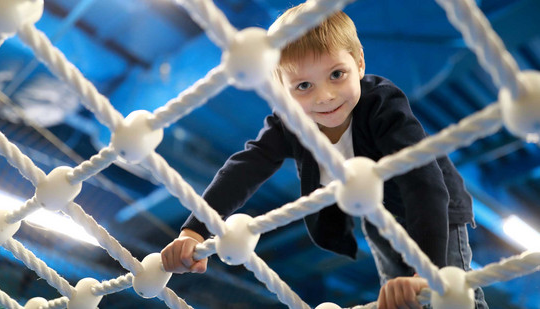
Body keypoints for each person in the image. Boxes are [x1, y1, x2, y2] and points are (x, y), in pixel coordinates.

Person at [161, 3, 488, 309]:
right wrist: (194, 231)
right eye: (303, 85)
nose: (325, 97)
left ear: (359, 63)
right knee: (400, 299)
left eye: (336, 74)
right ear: (281, 92)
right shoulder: (290, 122)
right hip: (378, 215)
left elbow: (422, 181)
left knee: (448, 293)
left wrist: (426, 270)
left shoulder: (381, 105)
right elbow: (245, 168)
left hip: (436, 208)